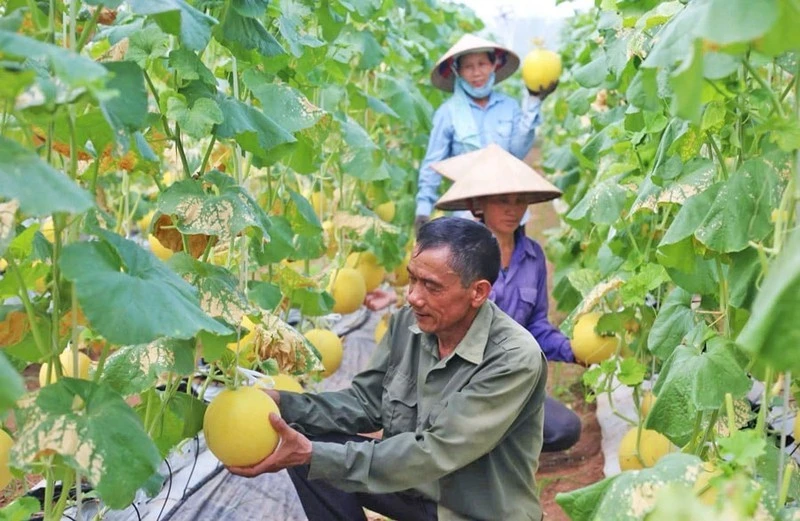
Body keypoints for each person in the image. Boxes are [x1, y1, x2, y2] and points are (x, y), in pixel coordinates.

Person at [228, 217, 549, 521]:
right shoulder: (408, 324)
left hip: (473, 512)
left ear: (478, 292)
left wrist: (314, 454)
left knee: (316, 455)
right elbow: (366, 402)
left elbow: (435, 452)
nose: (413, 297)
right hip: (413, 488)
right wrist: (283, 403)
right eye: (412, 278)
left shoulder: (513, 358)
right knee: (305, 440)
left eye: (431, 286)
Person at [433, 144, 582, 453]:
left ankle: (495, 440)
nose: (512, 210)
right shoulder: (457, 257)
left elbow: (536, 326)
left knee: (566, 429)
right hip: (464, 385)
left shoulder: (533, 256)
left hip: (513, 384)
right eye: (502, 200)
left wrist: (573, 351)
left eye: (519, 201)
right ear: (478, 205)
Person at [415, 34, 558, 232]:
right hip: (468, 215)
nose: (476, 73)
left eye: (482, 64)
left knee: (515, 261)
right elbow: (433, 164)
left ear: (494, 65)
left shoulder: (508, 106)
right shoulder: (447, 113)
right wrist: (423, 210)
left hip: (510, 211)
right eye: (468, 67)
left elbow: (517, 153)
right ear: (458, 71)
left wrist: (534, 101)